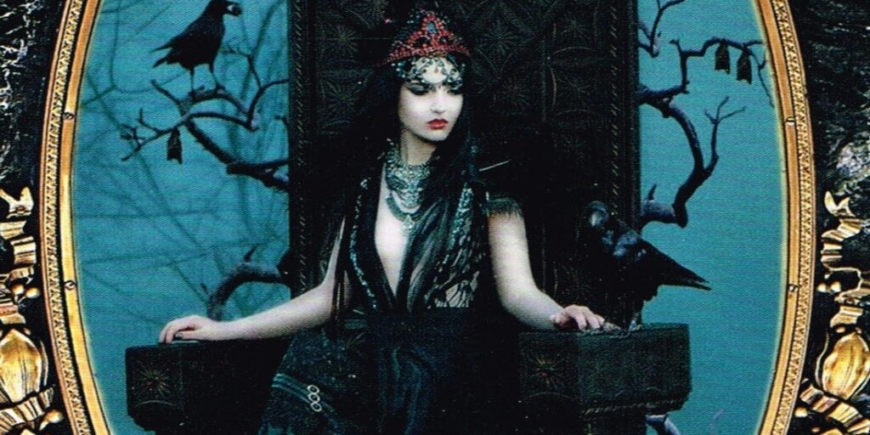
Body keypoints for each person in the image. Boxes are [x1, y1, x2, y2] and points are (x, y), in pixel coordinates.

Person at [160, 9, 607, 435]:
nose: (441, 105)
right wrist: (224, 330)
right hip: (367, 371)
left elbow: (519, 294)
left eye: (452, 89)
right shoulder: (365, 185)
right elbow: (330, 296)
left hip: (451, 375)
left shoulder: (487, 184)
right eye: (421, 89)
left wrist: (560, 315)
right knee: (311, 371)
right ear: (393, 92)